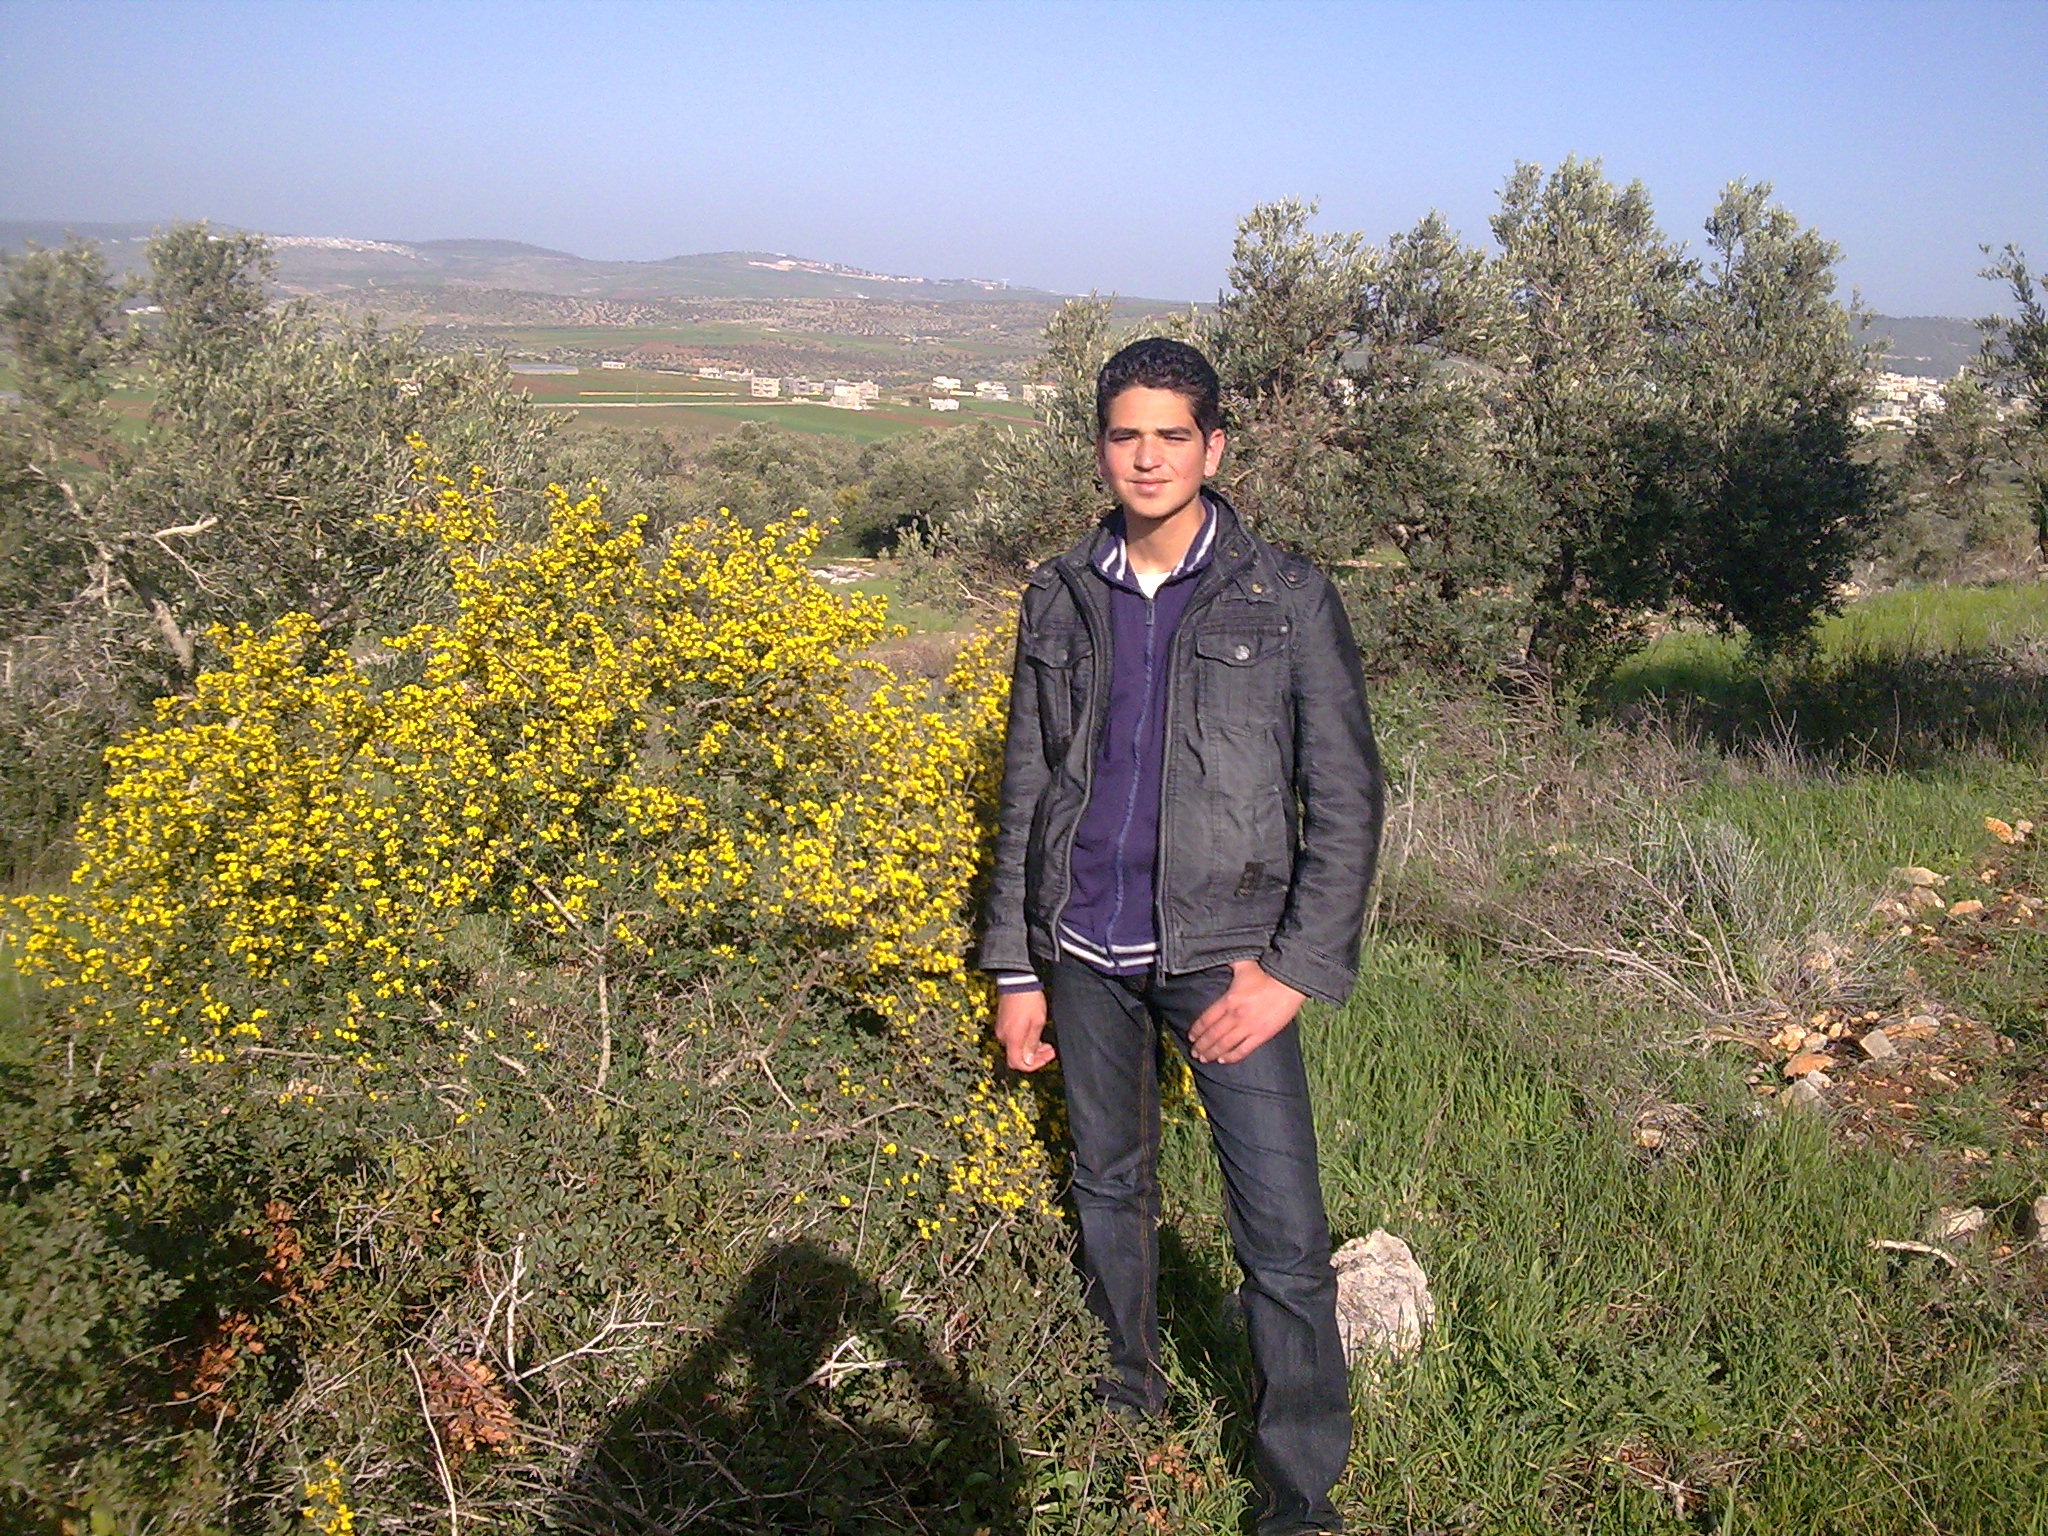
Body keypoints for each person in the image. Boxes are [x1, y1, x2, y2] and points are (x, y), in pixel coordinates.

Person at [978, 337, 1384, 1536]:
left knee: (1283, 1234)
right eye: (1124, 435)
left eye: (1170, 435)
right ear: (1099, 447)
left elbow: (1345, 795)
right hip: (1079, 948)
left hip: (1225, 957)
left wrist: (1293, 971)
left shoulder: (1283, 593)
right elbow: (1024, 786)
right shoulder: (1060, 591)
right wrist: (1015, 964)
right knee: (1109, 1185)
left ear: (1212, 447)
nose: (1146, 458)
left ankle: (1295, 1495)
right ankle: (1126, 1405)